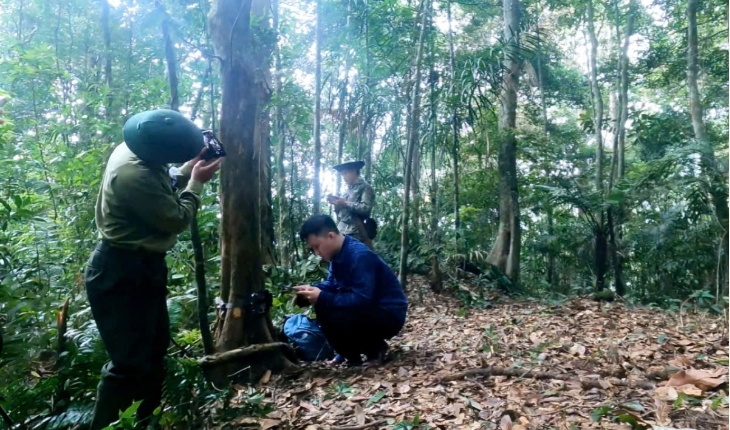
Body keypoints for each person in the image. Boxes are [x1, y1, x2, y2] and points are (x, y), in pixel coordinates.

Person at [84, 109, 222, 430]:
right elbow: (175, 218)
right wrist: (197, 184)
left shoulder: (134, 146)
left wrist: (186, 169)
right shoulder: (133, 175)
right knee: (128, 365)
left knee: (155, 352)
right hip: (120, 273)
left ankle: (146, 422)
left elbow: (160, 177)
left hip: (143, 269)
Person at [294, 214, 407, 368]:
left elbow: (362, 299)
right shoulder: (337, 255)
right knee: (324, 304)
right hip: (369, 309)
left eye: (317, 246)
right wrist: (312, 289)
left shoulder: (359, 256)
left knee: (332, 306)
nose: (316, 253)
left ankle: (375, 349)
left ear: (331, 236)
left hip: (388, 313)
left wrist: (322, 296)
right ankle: (350, 356)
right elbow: (332, 284)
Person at [326, 160, 375, 249]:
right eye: (342, 175)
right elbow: (341, 214)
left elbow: (366, 208)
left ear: (354, 171)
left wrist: (345, 203)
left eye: (345, 173)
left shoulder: (365, 188)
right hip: (341, 231)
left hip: (356, 233)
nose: (343, 177)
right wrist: (337, 204)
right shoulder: (346, 192)